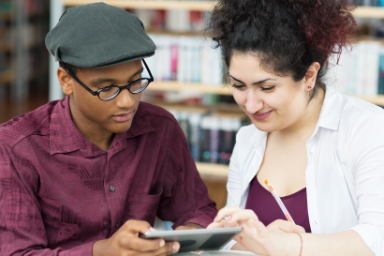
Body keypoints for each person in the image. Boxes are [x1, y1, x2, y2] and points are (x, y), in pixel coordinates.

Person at [0, 3, 217, 256]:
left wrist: (185, 237)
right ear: (66, 81)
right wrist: (103, 251)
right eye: (106, 89)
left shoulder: (159, 128)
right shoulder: (15, 148)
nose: (127, 102)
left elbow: (197, 210)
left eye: (135, 82)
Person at [206, 0, 384, 255]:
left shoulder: (367, 129)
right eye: (238, 85)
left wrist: (288, 246)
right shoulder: (247, 139)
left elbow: (378, 237)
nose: (251, 105)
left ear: (309, 76)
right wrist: (255, 240)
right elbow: (236, 239)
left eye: (267, 88)